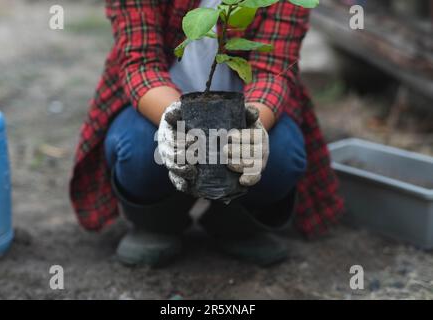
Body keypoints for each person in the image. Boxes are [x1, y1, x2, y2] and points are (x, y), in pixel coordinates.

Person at [70, 0, 344, 267]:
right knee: (141, 152)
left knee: (281, 156)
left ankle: (235, 223)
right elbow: (141, 63)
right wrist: (177, 121)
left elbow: (273, 69)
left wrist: (251, 127)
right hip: (160, 102)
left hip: (244, 103)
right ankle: (157, 222)